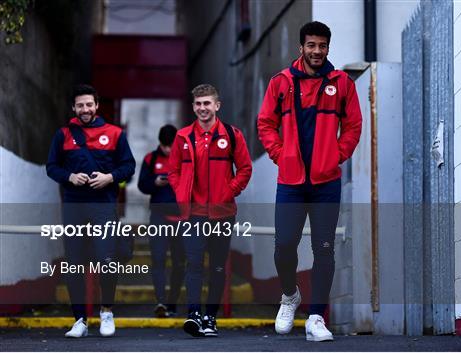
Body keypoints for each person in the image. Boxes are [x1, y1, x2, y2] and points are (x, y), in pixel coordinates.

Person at [257, 21, 362, 341]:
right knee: (284, 245)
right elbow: (265, 124)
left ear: (328, 48)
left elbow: (354, 126)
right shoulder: (281, 82)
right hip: (290, 181)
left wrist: (336, 155)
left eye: (323, 46)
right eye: (311, 45)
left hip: (326, 182)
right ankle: (290, 295)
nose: (317, 51)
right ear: (301, 48)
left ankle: (316, 317)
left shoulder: (342, 83)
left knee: (324, 249)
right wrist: (280, 154)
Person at [46, 84, 136, 338]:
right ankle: (80, 321)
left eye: (89, 104)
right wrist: (69, 176)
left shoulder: (115, 134)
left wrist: (110, 177)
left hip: (103, 205)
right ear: (73, 108)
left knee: (106, 260)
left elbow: (129, 166)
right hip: (73, 205)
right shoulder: (62, 134)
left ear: (96, 106)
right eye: (80, 105)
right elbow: (51, 167)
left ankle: (106, 312)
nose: (85, 109)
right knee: (74, 264)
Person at [168, 84, 252, 337]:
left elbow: (245, 169)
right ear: (193, 107)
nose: (202, 108)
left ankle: (210, 318)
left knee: (217, 267)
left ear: (217, 105)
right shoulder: (183, 136)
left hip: (222, 212)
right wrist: (181, 190)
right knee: (193, 264)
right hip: (193, 213)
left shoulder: (233, 135)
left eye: (207, 103)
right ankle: (193, 314)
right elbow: (173, 171)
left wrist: (229, 191)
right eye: (198, 104)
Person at [137, 124, 186, 318]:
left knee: (179, 262)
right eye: (165, 146)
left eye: (171, 146)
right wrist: (154, 183)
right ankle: (161, 302)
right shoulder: (151, 158)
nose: (168, 149)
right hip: (158, 217)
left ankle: (172, 303)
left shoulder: (185, 158)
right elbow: (142, 185)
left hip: (182, 217)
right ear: (160, 143)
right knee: (157, 259)